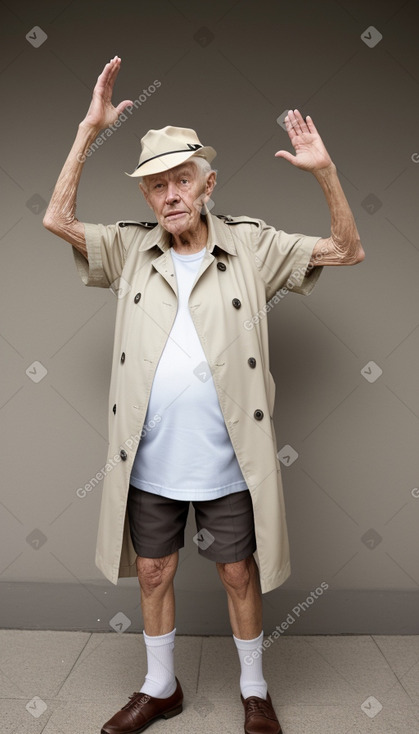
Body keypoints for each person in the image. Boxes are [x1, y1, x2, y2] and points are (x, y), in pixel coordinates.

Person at [43, 56, 365, 734]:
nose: (168, 194)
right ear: (146, 197)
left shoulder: (250, 246)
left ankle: (253, 690)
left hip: (227, 460)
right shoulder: (132, 250)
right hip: (150, 460)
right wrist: (87, 131)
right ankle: (160, 687)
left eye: (180, 179)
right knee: (153, 574)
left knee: (236, 575)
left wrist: (325, 174)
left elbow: (345, 250)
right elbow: (57, 218)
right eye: (155, 185)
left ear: (207, 184)